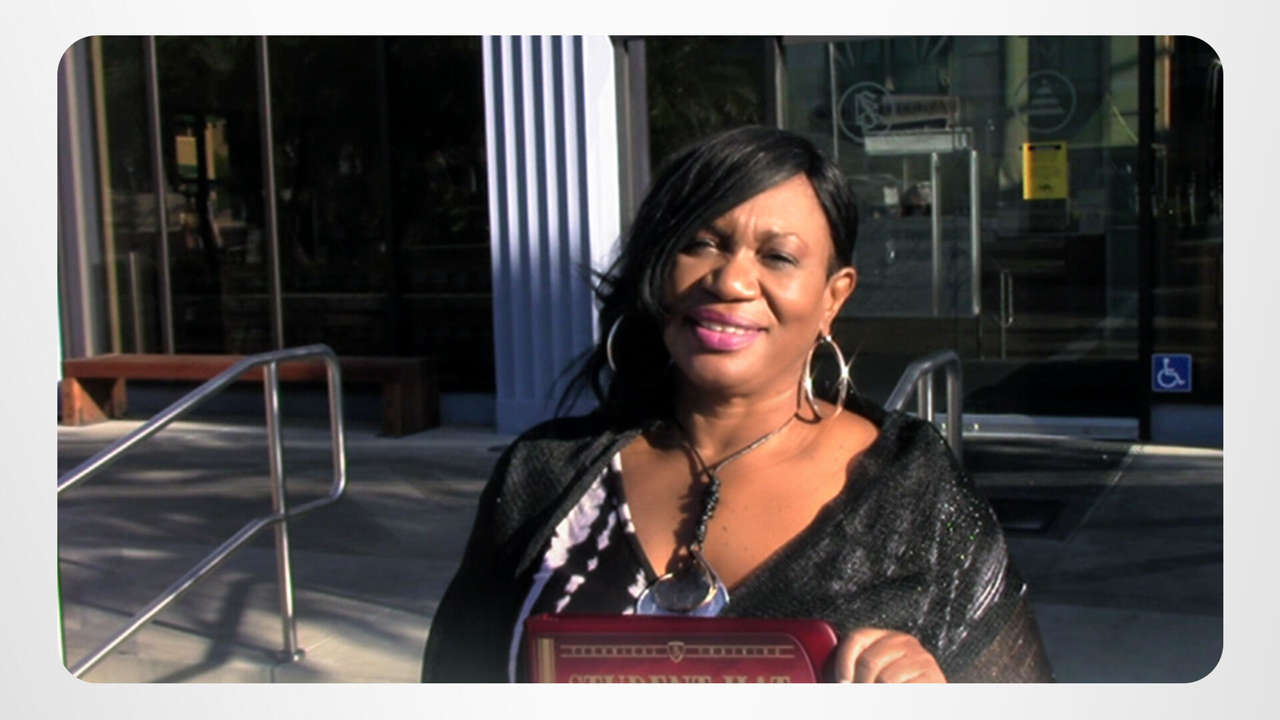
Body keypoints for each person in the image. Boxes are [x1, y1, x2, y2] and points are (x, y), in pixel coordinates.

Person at [420, 126, 1053, 683]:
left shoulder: (911, 489)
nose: (729, 280)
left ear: (833, 296)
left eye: (778, 256)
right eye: (702, 244)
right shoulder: (545, 474)